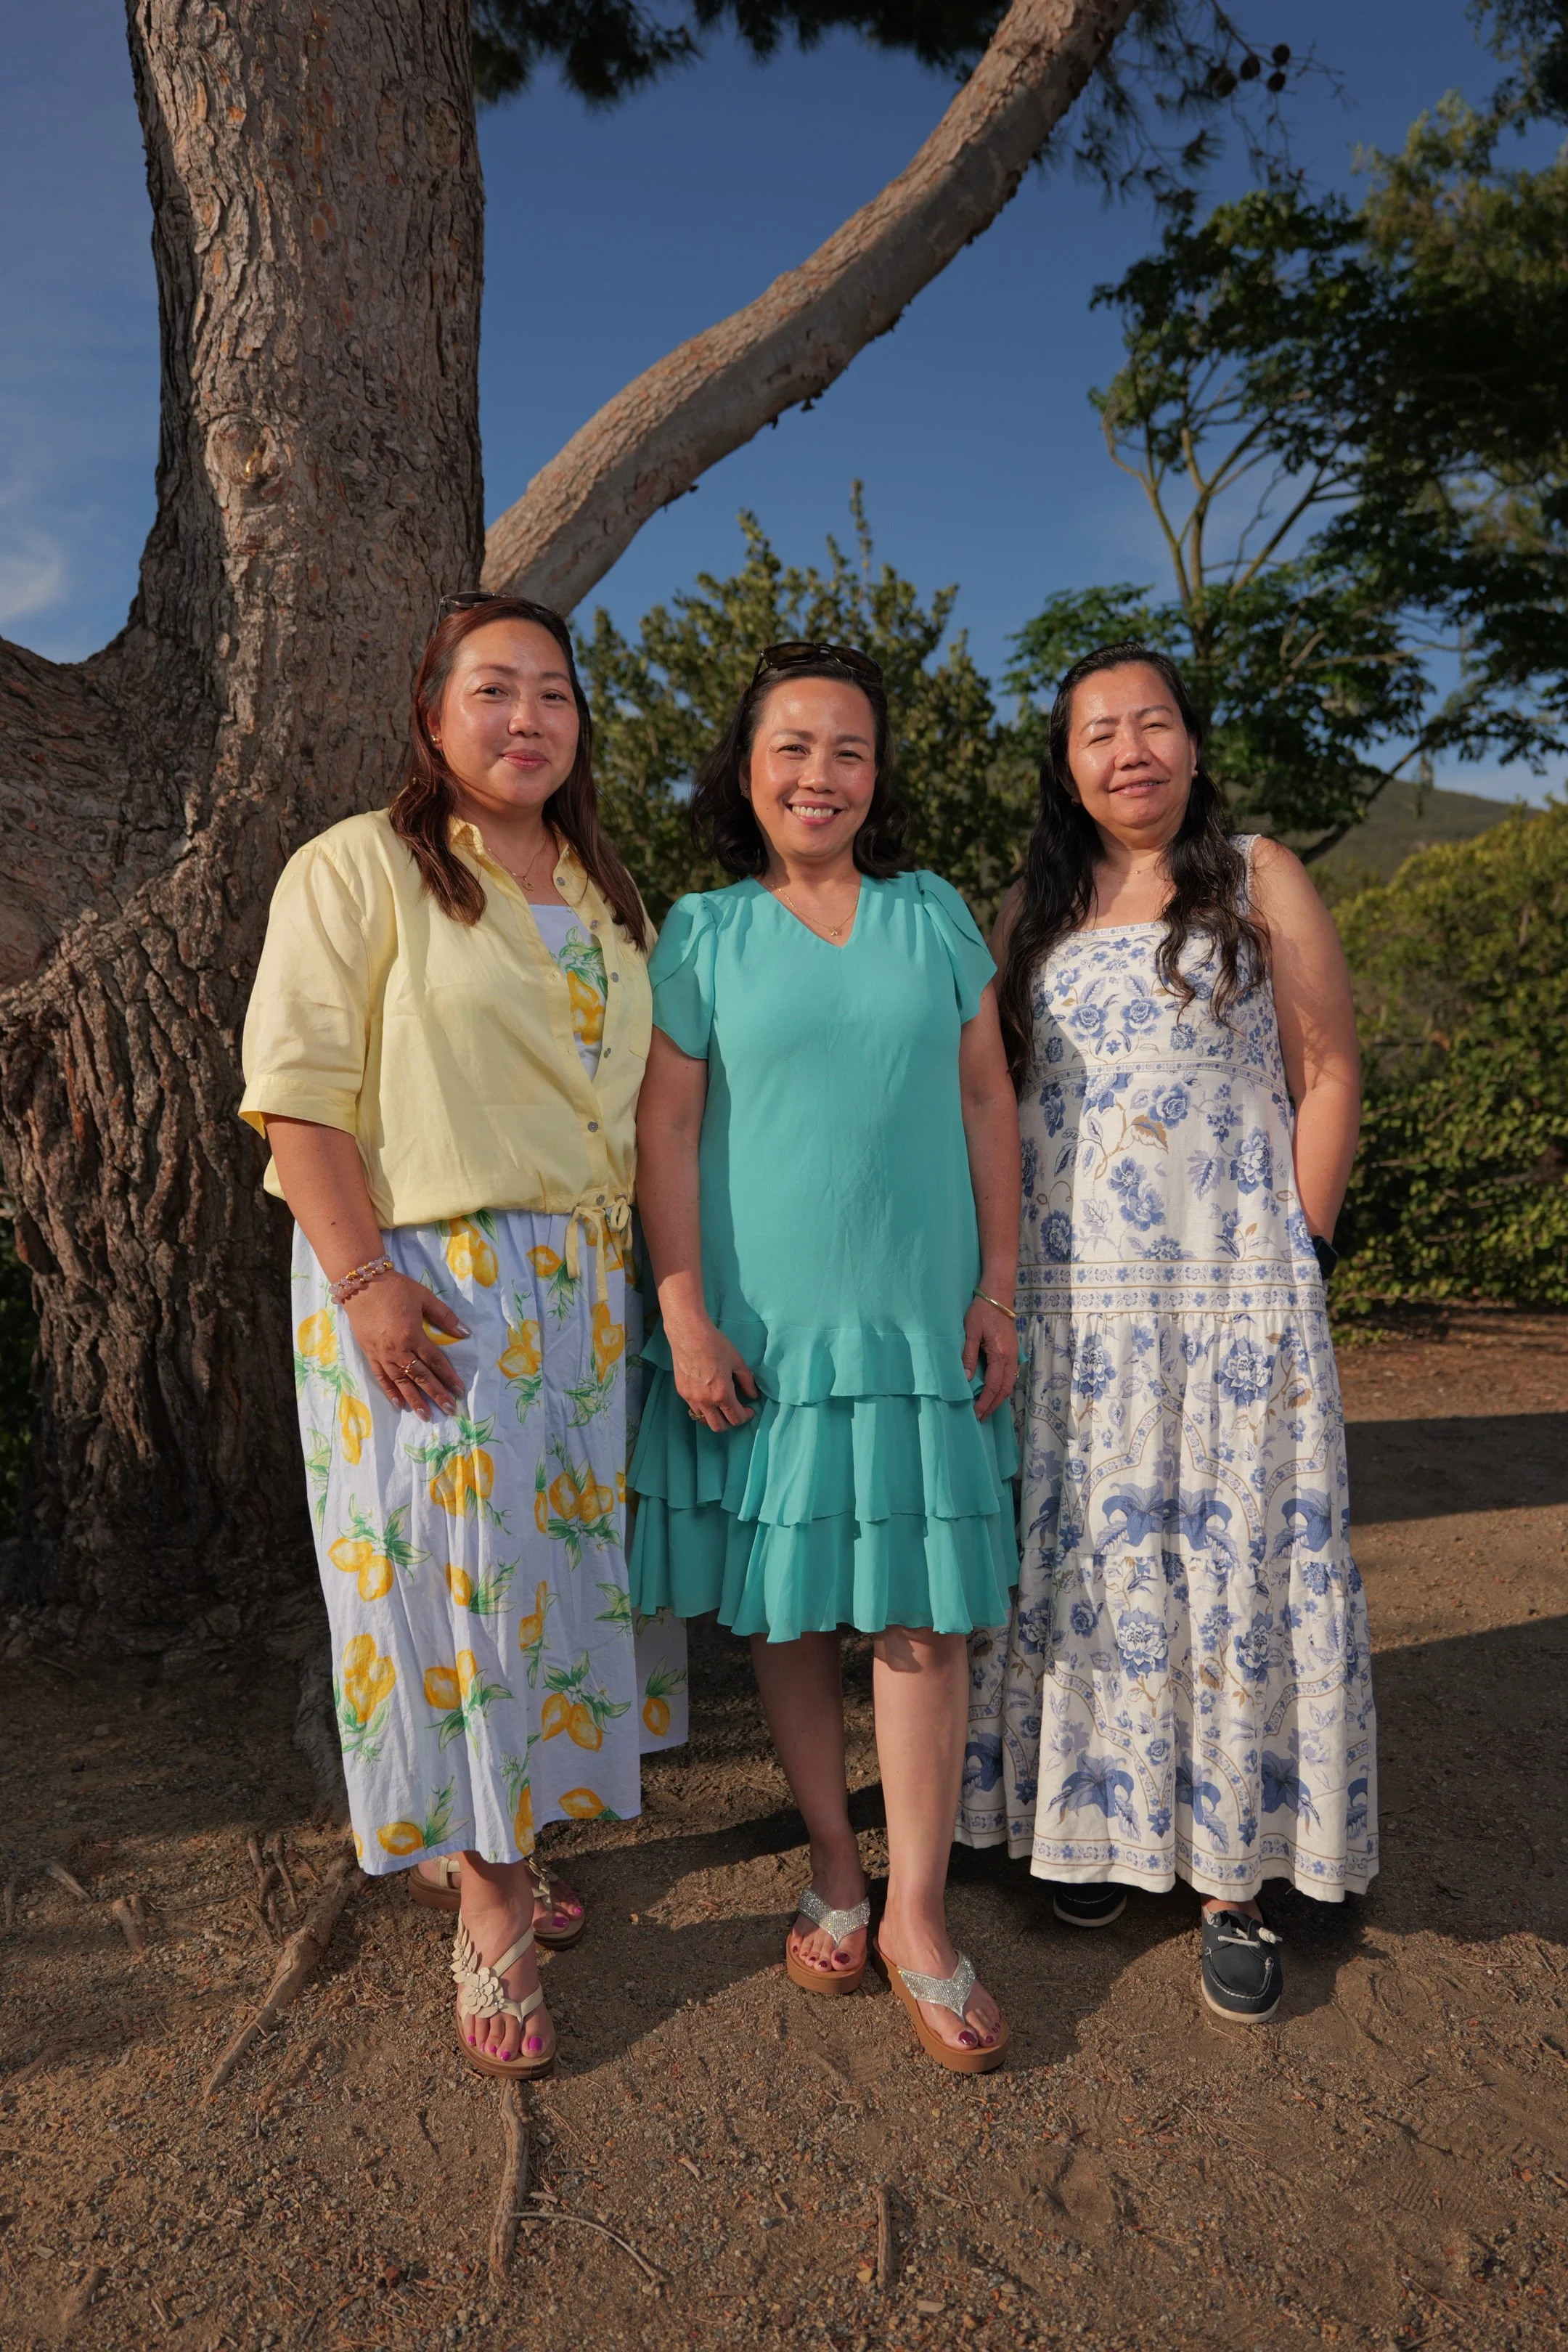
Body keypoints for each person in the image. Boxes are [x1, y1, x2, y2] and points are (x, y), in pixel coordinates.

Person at [240, 592, 687, 2080]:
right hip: (424, 1276)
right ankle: (487, 1903)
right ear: (432, 716)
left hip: (584, 1282)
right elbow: (298, 1091)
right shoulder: (358, 868)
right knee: (452, 1588)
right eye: (493, 691)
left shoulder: (616, 900)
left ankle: (499, 1831)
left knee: (550, 1588)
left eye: (553, 693)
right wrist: (363, 1277)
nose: (526, 719)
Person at [959, 642, 1374, 2023]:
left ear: (1192, 745)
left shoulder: (1257, 875)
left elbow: (1324, 1068)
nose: (1128, 750)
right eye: (1097, 733)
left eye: (1151, 724)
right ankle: (1100, 1828)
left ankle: (1236, 1881)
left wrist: (1298, 1254)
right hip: (1076, 1312)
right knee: (1092, 1572)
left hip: (1229, 1299)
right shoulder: (1034, 906)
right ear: (1066, 766)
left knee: (1231, 1564)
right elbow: (988, 1101)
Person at [627, 642, 1021, 2074]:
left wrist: (999, 1282)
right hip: (764, 1331)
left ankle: (918, 1913)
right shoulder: (703, 932)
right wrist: (682, 1315)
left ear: (879, 777)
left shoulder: (935, 918)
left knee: (923, 1614)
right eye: (793, 746)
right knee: (788, 1612)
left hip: (921, 1325)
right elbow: (664, 1132)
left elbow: (988, 1102)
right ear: (748, 767)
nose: (820, 774)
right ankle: (838, 1870)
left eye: (849, 750)